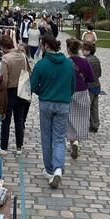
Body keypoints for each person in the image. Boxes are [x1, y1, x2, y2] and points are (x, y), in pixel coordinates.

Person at [30, 33, 75, 189]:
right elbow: (73, 85)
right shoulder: (68, 64)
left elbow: (33, 85)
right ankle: (58, 168)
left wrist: (43, 93)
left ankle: (49, 169)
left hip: (47, 103)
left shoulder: (42, 64)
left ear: (46, 45)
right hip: (63, 104)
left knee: (47, 137)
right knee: (59, 138)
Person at [0, 34, 30, 154]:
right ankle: (19, 146)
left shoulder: (6, 58)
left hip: (9, 91)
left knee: (6, 119)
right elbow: (27, 71)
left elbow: (4, 79)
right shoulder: (22, 55)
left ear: (3, 47)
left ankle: (4, 147)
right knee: (19, 119)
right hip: (21, 89)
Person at [66, 38, 96, 159]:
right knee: (82, 119)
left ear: (68, 50)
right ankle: (78, 142)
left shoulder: (66, 62)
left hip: (69, 93)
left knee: (70, 119)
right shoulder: (85, 62)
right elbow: (91, 78)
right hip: (83, 92)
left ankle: (73, 142)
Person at [84, 41, 102, 133]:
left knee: (87, 106)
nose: (83, 51)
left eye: (84, 49)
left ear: (88, 50)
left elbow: (85, 75)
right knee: (94, 107)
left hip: (89, 86)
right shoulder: (96, 59)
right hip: (97, 85)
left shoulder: (86, 60)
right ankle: (95, 124)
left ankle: (85, 124)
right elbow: (99, 73)